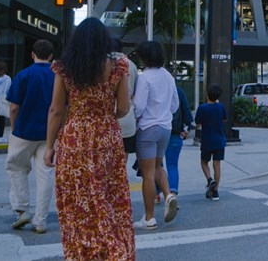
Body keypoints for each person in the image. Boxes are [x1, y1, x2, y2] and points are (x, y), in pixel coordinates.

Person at [44, 18, 135, 259]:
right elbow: (124, 107)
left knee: (78, 200)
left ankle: (82, 253)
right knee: (110, 197)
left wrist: (49, 146)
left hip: (75, 138)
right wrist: (105, 116)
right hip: (108, 137)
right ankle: (114, 251)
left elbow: (56, 110)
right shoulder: (119, 66)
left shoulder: (64, 68)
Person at [5, 39, 55, 234]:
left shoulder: (23, 75)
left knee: (16, 168)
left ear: (32, 54)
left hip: (24, 131)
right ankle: (40, 220)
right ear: (51, 56)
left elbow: (14, 107)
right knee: (45, 174)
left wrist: (13, 128)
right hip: (49, 133)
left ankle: (21, 209)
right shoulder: (57, 76)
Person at [133, 40, 179, 230]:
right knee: (159, 165)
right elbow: (175, 105)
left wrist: (134, 119)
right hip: (165, 128)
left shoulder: (144, 77)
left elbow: (139, 107)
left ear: (144, 57)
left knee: (148, 174)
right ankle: (169, 194)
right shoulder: (168, 76)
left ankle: (149, 217)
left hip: (148, 128)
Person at [195, 83, 226, 201]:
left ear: (207, 95)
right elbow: (224, 119)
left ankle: (209, 179)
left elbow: (198, 123)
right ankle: (216, 191)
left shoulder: (202, 108)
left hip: (207, 140)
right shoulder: (221, 107)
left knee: (204, 162)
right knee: (217, 165)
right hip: (219, 139)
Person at [165, 86, 194, 198]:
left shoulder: (152, 86)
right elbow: (186, 112)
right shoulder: (178, 91)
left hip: (156, 131)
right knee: (172, 165)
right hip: (175, 132)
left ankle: (157, 192)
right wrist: (186, 129)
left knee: (156, 165)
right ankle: (172, 193)